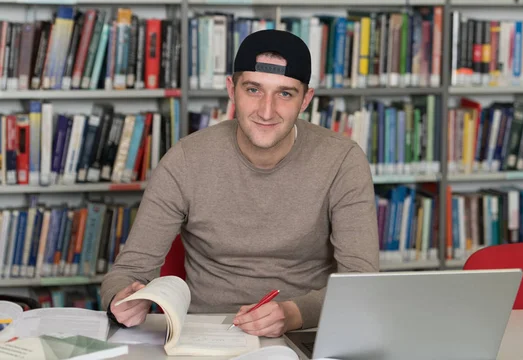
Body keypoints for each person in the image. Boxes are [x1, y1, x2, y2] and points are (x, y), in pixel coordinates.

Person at [100, 29, 379, 338]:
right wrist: (121, 299)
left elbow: (361, 281)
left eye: (285, 93)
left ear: (305, 100)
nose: (267, 110)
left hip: (308, 334)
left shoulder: (343, 161)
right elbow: (128, 270)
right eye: (253, 89)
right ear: (231, 90)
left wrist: (293, 314)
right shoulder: (184, 160)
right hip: (207, 336)